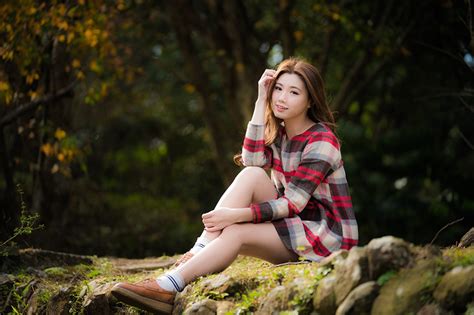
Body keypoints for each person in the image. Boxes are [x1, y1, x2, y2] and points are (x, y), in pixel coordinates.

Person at [111, 57, 358, 313]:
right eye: (279, 89)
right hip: (295, 227)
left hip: (325, 238)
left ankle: (168, 286)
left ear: (310, 100)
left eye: (294, 92)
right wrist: (261, 101)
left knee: (235, 231)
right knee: (252, 174)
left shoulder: (322, 140)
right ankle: (197, 252)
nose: (282, 98)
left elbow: (293, 203)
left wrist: (235, 216)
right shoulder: (282, 133)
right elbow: (251, 160)